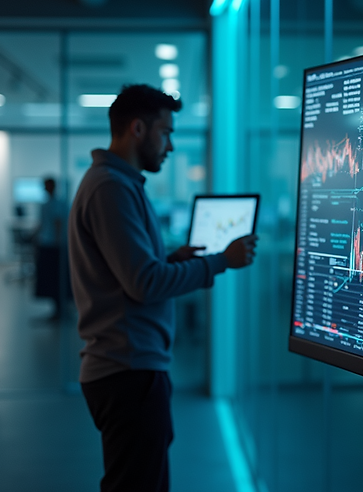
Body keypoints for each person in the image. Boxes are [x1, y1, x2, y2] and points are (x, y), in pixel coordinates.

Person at [69, 84, 257, 492]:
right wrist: (221, 260)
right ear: (138, 129)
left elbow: (131, 273)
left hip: (129, 367)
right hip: (128, 370)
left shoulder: (120, 184)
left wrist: (173, 259)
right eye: (166, 132)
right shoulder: (111, 188)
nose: (170, 145)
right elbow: (145, 284)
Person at [34, 177, 69, 320]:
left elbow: (58, 223)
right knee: (51, 279)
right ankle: (57, 309)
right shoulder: (48, 204)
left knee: (55, 279)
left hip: (54, 246)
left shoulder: (57, 204)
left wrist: (57, 242)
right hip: (48, 244)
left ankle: (60, 310)